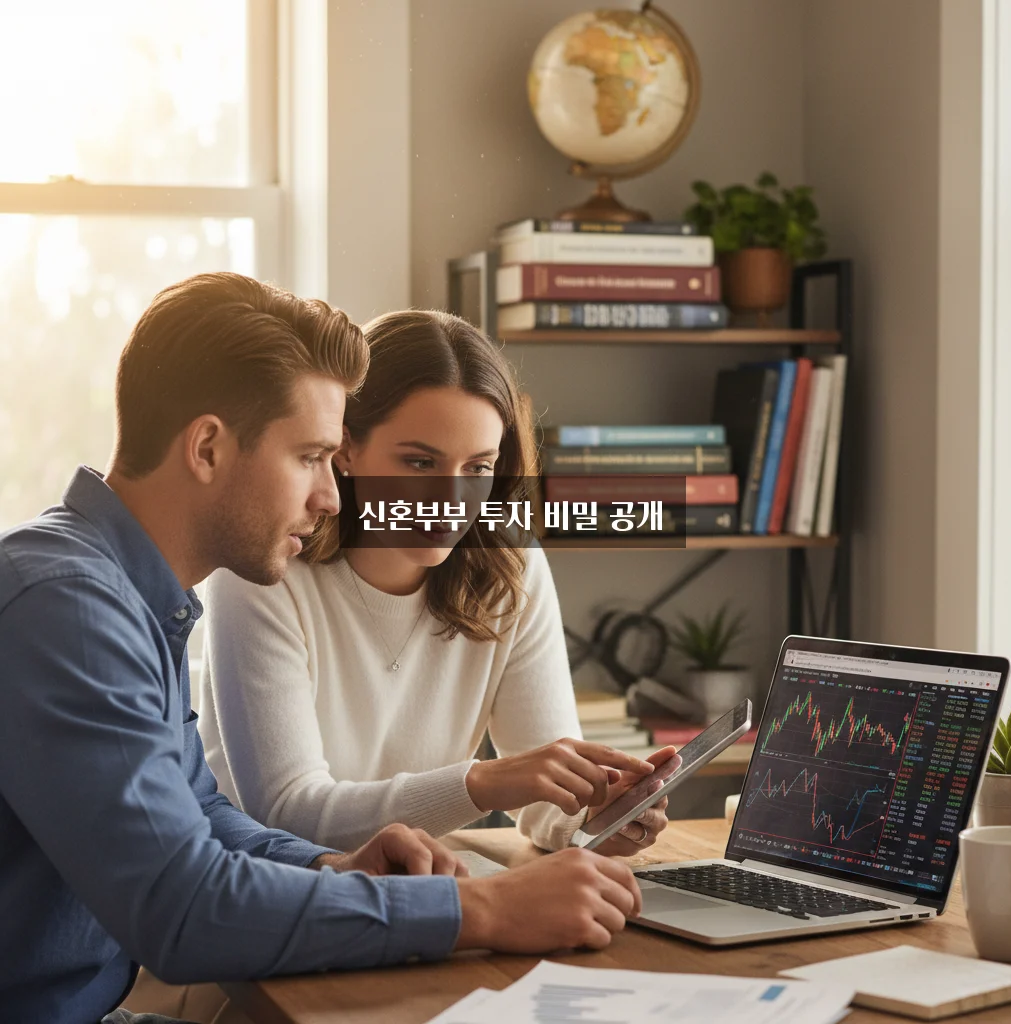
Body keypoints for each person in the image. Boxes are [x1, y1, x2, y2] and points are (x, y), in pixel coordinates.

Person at [0, 274, 645, 1024]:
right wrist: (478, 909)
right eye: (310, 456)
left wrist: (333, 865)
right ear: (207, 446)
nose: (332, 495)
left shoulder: (128, 594)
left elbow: (203, 814)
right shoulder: (69, 607)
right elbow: (180, 912)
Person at [198, 309, 674, 859]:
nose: (450, 503)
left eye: (477, 469)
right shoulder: (264, 566)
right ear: (346, 447)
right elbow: (287, 813)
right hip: (271, 900)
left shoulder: (509, 567)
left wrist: (600, 815)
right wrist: (483, 783)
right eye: (420, 461)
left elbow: (548, 802)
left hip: (421, 893)